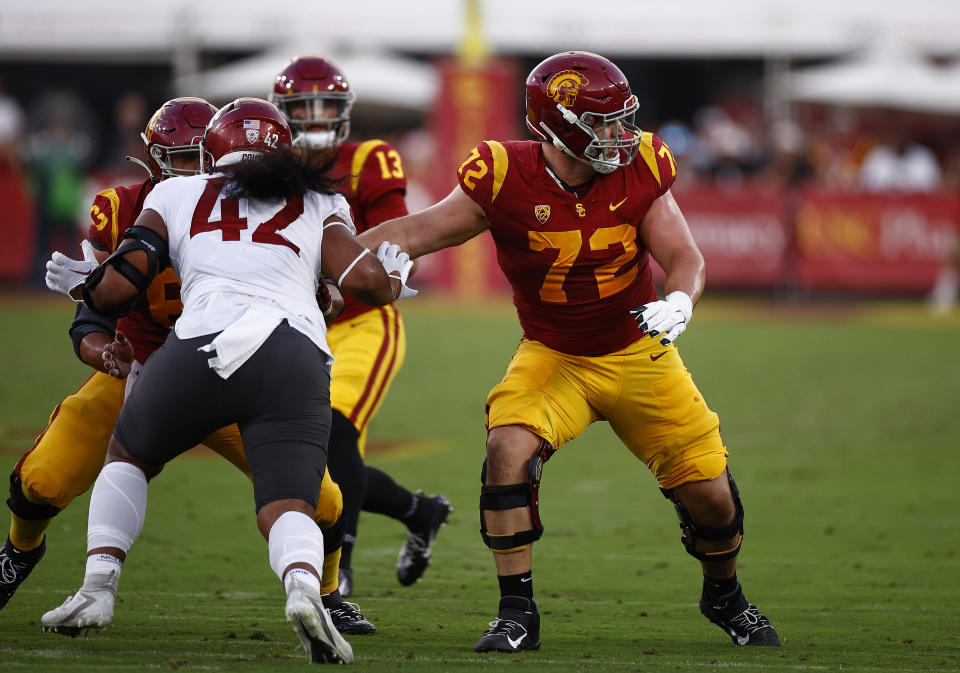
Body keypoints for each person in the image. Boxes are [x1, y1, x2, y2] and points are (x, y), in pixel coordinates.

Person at [358, 51, 780, 652]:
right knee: (506, 449)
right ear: (554, 127)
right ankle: (516, 613)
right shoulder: (502, 174)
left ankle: (725, 596)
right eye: (602, 123)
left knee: (711, 494)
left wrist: (681, 299)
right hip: (553, 355)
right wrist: (324, 260)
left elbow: (685, 256)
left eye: (622, 120)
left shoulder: (641, 167)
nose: (620, 136)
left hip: (639, 351)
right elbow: (416, 230)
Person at [38, 98, 415, 663]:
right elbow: (368, 283)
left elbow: (119, 287)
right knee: (290, 502)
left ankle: (97, 588)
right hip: (294, 356)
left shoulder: (174, 192)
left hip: (200, 346)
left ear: (211, 151)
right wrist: (391, 272)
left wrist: (85, 286)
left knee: (129, 456)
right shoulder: (321, 199)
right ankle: (304, 590)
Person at [270, 55, 452, 597]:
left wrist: (347, 275)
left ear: (345, 110)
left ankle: (338, 568)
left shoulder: (369, 157)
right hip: (297, 325)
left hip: (360, 321)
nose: (318, 115)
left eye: (327, 104)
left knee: (335, 431)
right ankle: (420, 512)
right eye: (304, 106)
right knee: (310, 457)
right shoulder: (266, 167)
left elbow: (397, 234)